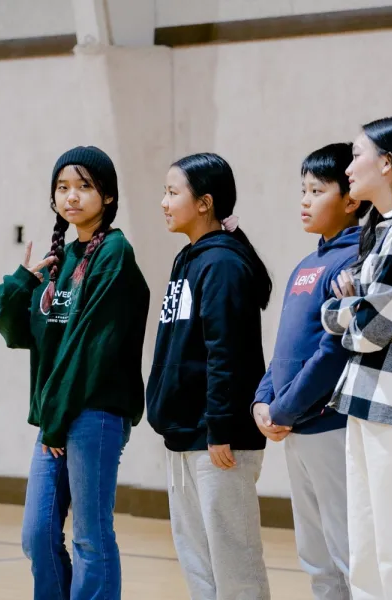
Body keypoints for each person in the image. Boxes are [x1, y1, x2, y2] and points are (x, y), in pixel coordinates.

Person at [0, 146, 150, 600]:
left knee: (90, 537)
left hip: (94, 412)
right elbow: (18, 334)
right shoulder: (59, 260)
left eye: (84, 186)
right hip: (58, 417)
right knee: (37, 535)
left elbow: (90, 348)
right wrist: (21, 282)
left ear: (108, 195)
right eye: (62, 188)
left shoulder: (114, 253)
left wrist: (56, 421)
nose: (72, 196)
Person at [321, 116, 392, 600]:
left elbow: (369, 330)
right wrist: (357, 309)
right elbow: (343, 316)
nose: (348, 167)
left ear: (387, 163)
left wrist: (355, 311)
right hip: (368, 401)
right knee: (367, 550)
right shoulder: (379, 228)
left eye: (356, 155)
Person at [146, 153, 271, 600]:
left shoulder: (222, 264)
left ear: (205, 203)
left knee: (235, 568)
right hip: (185, 436)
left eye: (172, 192)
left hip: (218, 441)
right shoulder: (188, 259)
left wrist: (220, 428)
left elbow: (226, 353)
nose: (164, 202)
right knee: (199, 566)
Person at [253, 143, 370, 600]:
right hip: (294, 425)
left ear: (351, 199)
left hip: (328, 425)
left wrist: (283, 409)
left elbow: (332, 351)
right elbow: (285, 347)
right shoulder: (307, 263)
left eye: (317, 191)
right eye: (303, 190)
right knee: (316, 558)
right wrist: (263, 400)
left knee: (347, 554)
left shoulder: (355, 259)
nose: (305, 200)